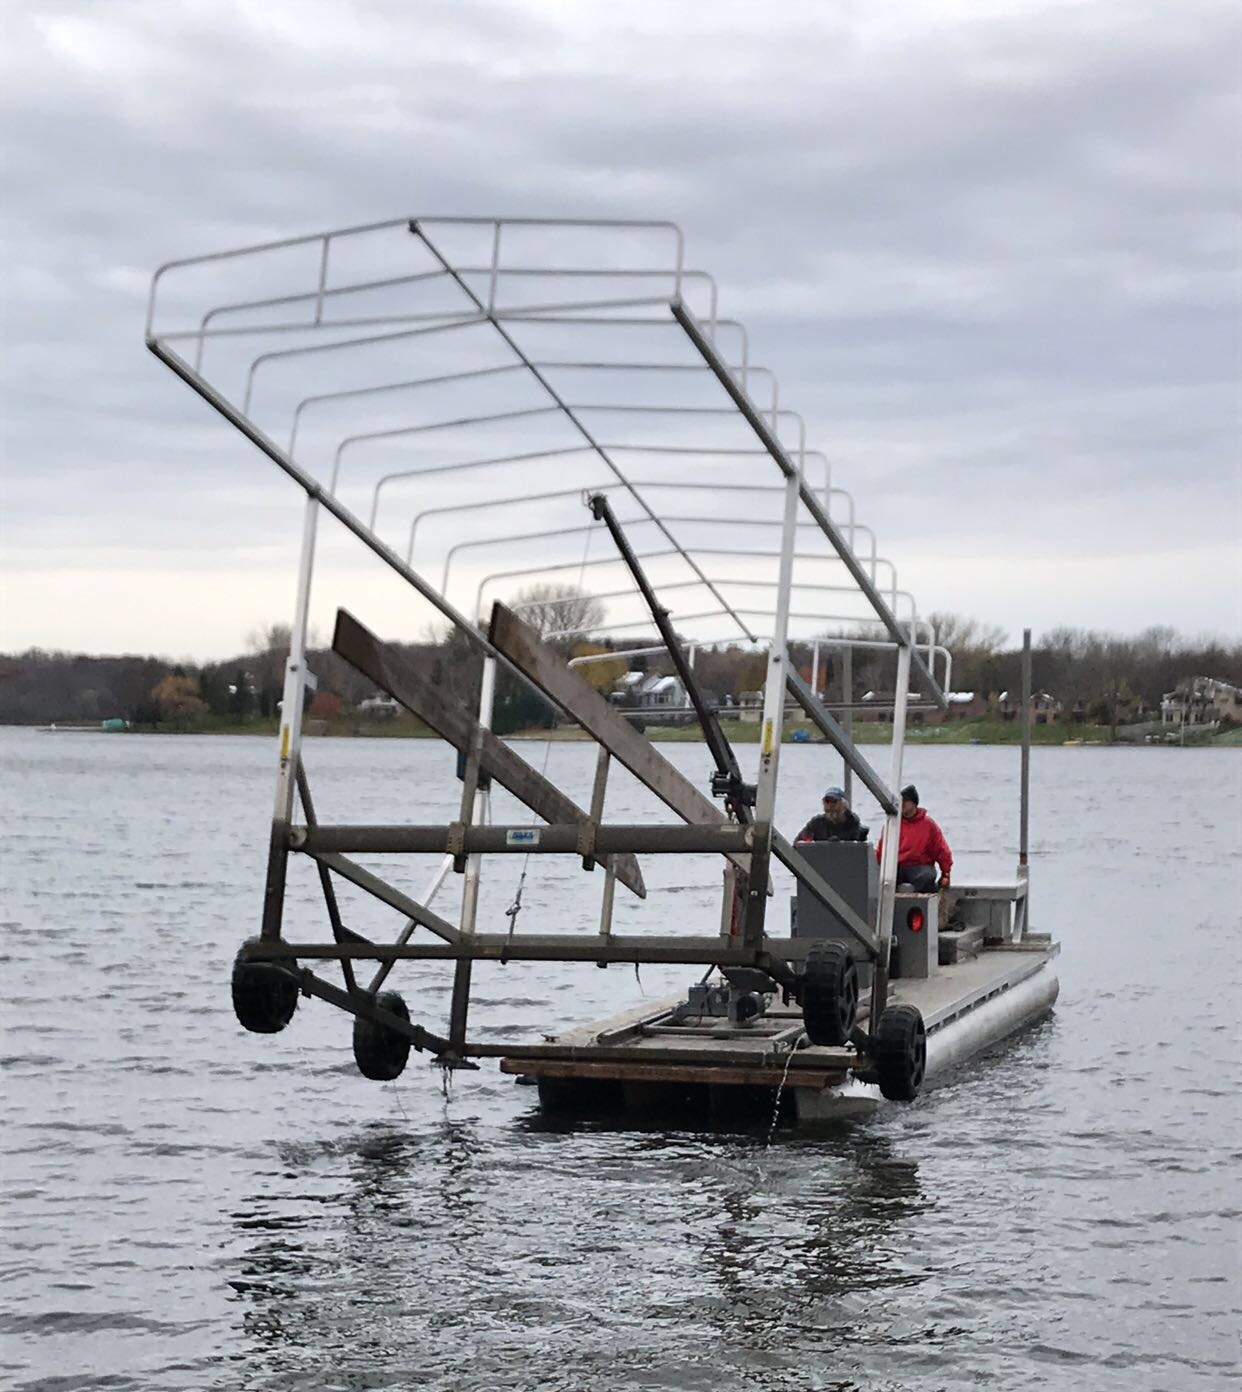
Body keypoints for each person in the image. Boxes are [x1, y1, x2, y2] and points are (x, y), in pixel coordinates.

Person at [876, 784, 952, 891]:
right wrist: (879, 866)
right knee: (881, 879)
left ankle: (926, 897)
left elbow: (941, 849)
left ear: (913, 803)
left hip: (920, 867)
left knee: (927, 877)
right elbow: (882, 849)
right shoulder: (893, 824)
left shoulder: (928, 825)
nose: (902, 804)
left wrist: (946, 873)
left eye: (905, 801)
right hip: (897, 867)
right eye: (900, 801)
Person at [795, 786, 867, 844]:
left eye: (834, 801)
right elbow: (798, 843)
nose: (830, 805)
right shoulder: (816, 823)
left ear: (844, 805)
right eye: (827, 801)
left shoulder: (854, 825)